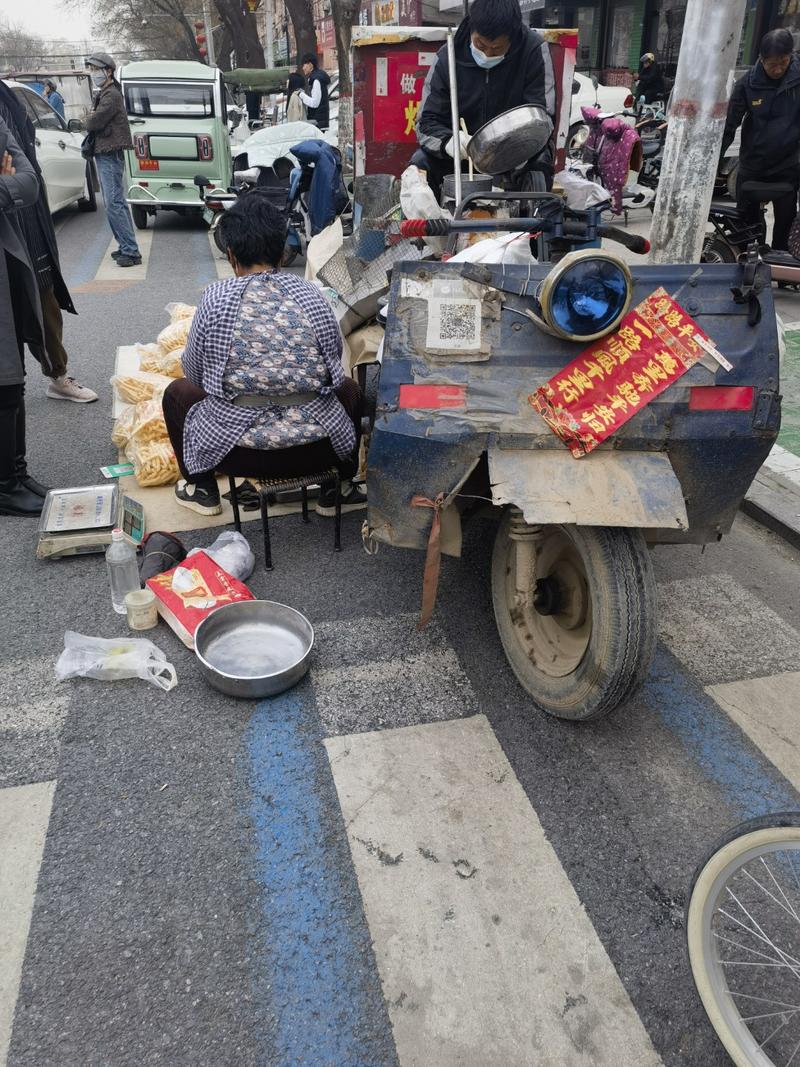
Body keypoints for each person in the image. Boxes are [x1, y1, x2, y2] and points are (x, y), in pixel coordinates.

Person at [162, 193, 365, 518]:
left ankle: (202, 489)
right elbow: (333, 370)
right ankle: (337, 488)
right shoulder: (312, 294)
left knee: (177, 393)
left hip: (235, 452)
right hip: (316, 449)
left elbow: (196, 376)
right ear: (282, 253)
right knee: (350, 390)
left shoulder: (214, 298)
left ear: (230, 254)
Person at [0, 80, 97, 403]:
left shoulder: (7, 94)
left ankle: (57, 373)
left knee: (43, 294)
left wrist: (13, 183)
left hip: (27, 214)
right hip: (10, 217)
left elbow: (25, 178)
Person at [413, 0, 556, 201]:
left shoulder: (533, 50)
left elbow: (544, 115)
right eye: (480, 45)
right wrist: (450, 142)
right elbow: (426, 122)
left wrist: (514, 147)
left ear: (512, 38)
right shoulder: (448, 56)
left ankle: (534, 230)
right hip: (459, 157)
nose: (487, 54)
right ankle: (429, 228)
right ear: (472, 27)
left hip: (515, 156)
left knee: (540, 165)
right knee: (420, 163)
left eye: (496, 49)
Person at [0, 117, 49, 516]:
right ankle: (3, 485)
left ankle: (16, 472)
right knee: (1, 371)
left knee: (13, 365)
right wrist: (5, 186)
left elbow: (29, 181)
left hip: (7, 255)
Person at [721, 28, 800, 252]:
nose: (777, 69)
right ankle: (748, 263)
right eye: (771, 63)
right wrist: (714, 161)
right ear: (761, 60)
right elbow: (730, 125)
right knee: (746, 224)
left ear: (791, 56)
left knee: (786, 222)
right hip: (753, 165)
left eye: (783, 62)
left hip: (787, 166)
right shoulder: (747, 84)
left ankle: (782, 270)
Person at [84, 52, 141, 268]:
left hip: (109, 152)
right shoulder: (106, 93)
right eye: (90, 69)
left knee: (114, 203)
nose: (92, 73)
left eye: (95, 69)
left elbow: (93, 121)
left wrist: (87, 119)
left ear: (108, 71)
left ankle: (130, 250)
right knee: (114, 203)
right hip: (105, 152)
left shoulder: (111, 96)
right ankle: (126, 246)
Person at [298, 53, 330, 131]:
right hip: (318, 121)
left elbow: (315, 103)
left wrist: (301, 95)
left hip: (318, 123)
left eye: (304, 65)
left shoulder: (316, 80)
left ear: (310, 65)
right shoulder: (315, 78)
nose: (303, 68)